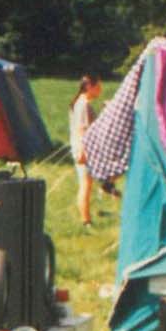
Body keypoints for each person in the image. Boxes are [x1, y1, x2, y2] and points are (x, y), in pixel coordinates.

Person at [70, 75, 103, 227]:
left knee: (87, 184)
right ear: (89, 86)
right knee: (85, 185)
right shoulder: (83, 104)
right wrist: (83, 152)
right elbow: (82, 130)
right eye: (98, 86)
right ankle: (86, 221)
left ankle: (87, 217)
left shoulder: (81, 103)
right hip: (83, 149)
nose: (100, 90)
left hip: (82, 148)